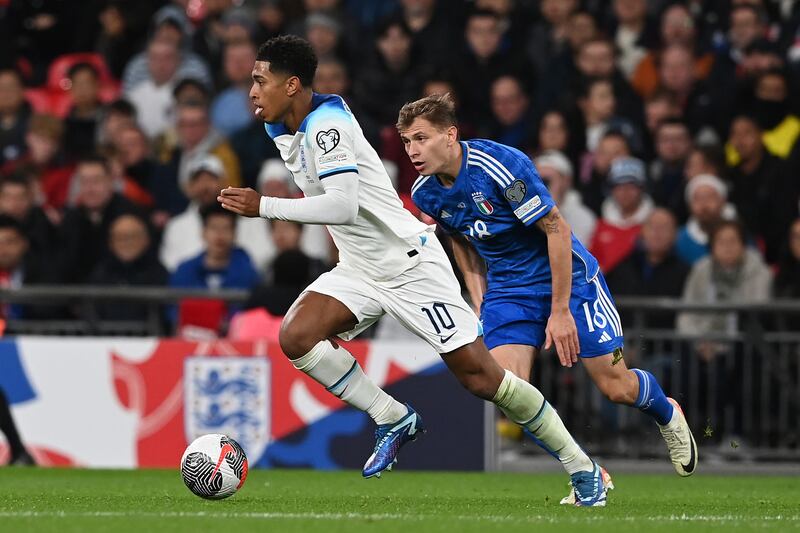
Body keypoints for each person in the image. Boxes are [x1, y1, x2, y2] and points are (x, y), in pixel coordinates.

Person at [218, 36, 610, 506]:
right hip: (361, 266)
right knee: (296, 336)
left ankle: (582, 469)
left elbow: (342, 206)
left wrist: (264, 206)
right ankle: (393, 416)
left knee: (484, 380)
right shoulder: (280, 127)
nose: (253, 91)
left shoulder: (328, 127)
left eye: (261, 80)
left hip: (409, 264)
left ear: (293, 84)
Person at [400, 93, 698, 486]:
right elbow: (461, 241)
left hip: (569, 280)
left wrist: (560, 312)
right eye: (406, 141)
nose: (412, 150)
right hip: (509, 288)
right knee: (506, 388)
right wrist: (479, 300)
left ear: (450, 135)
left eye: (421, 138)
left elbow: (557, 230)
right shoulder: (426, 193)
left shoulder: (500, 166)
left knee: (615, 386)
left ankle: (667, 412)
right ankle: (584, 471)